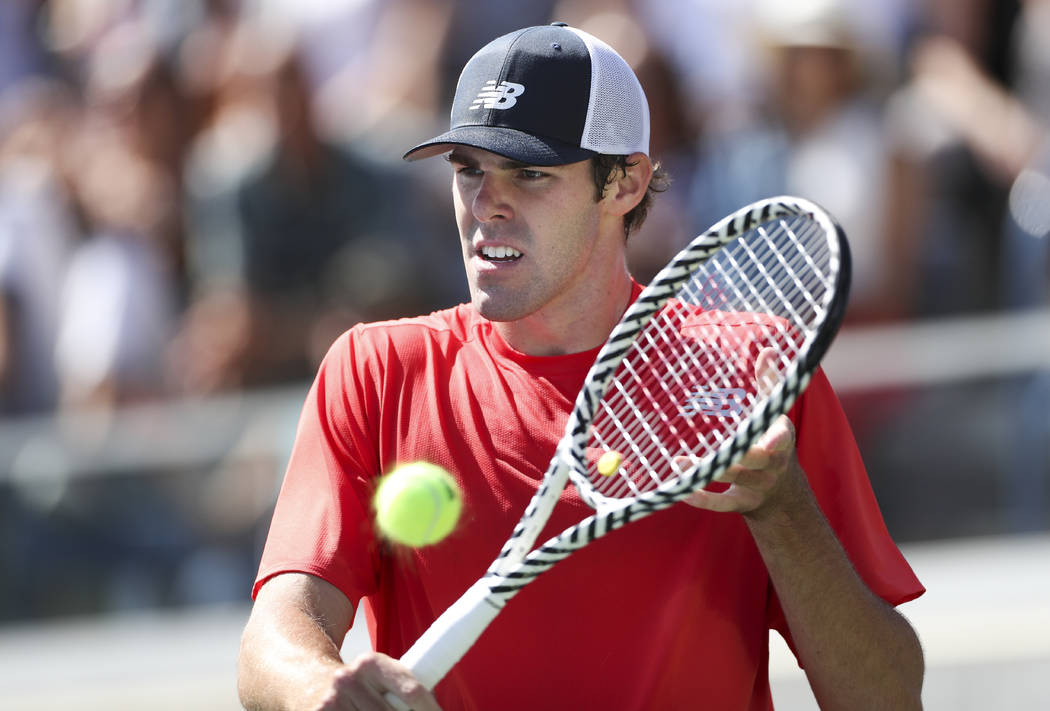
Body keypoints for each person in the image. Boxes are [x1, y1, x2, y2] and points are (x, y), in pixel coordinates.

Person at [238, 23, 925, 711]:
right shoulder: (375, 370)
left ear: (624, 181)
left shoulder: (754, 373)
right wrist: (317, 689)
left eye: (529, 172)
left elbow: (887, 697)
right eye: (469, 169)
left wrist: (781, 509)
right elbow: (274, 639)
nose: (486, 204)